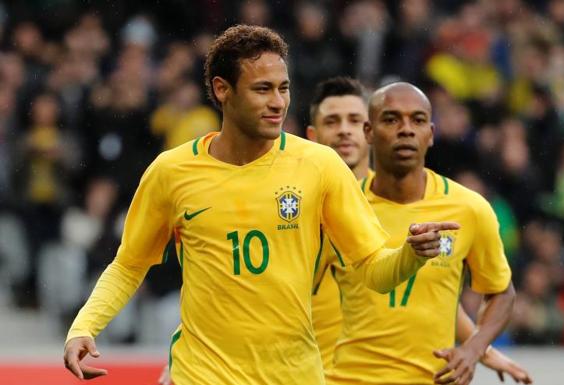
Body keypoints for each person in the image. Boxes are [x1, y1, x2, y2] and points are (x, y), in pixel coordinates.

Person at [62, 25, 457, 385]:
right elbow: (129, 264)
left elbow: (372, 269)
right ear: (222, 90)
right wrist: (85, 325)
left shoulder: (318, 165)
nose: (278, 102)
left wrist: (411, 255)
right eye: (262, 89)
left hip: (293, 374)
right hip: (203, 374)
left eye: (283, 89)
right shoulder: (172, 172)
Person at [312, 81, 522, 385]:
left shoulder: (469, 209)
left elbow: (500, 290)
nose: (406, 129)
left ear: (431, 134)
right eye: (392, 119)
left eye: (418, 120)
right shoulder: (338, 210)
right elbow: (291, 295)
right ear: (369, 132)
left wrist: (475, 348)